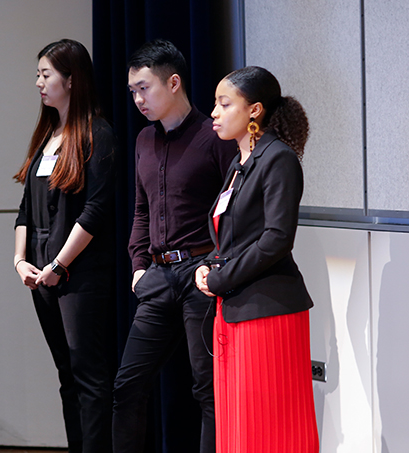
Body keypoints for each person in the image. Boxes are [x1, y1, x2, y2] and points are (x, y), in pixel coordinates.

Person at [113, 39, 236, 453]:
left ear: (174, 83)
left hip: (201, 274)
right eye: (132, 91)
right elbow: (141, 210)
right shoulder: (143, 141)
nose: (137, 98)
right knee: (127, 385)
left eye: (144, 88)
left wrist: (217, 266)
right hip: (157, 276)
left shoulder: (213, 136)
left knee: (208, 390)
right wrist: (137, 268)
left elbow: (232, 211)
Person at [195, 66, 319, 452]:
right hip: (233, 307)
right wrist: (211, 265)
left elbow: (277, 239)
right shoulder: (239, 163)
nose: (213, 112)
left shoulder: (278, 159)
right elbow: (235, 236)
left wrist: (220, 277)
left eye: (223, 103)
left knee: (270, 425)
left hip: (268, 310)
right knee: (237, 423)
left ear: (255, 110)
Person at [13, 39, 117, 453]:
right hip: (41, 274)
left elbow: (95, 211)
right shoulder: (48, 136)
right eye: (38, 74)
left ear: (71, 80)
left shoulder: (98, 134)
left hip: (78, 273)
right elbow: (25, 210)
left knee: (89, 374)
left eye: (46, 74)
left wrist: (58, 263)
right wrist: (20, 260)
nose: (38, 82)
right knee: (66, 374)